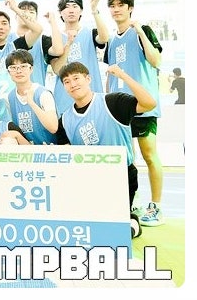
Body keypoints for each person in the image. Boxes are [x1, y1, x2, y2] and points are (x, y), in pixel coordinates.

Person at [54, 62, 157, 239]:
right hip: (89, 179)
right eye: (67, 81)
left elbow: (149, 104)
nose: (72, 84)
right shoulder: (65, 119)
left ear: (88, 79)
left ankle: (131, 222)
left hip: (120, 175)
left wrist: (122, 75)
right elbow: (67, 155)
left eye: (76, 78)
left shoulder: (113, 102)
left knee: (116, 224)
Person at [105, 0, 164, 226]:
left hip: (143, 104)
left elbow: (156, 61)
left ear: (130, 8)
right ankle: (133, 198)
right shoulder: (111, 39)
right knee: (127, 158)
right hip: (120, 107)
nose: (116, 9)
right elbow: (110, 75)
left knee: (149, 155)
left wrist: (139, 30)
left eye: (121, 5)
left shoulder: (143, 30)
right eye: (113, 6)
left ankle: (156, 207)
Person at [49, 0, 110, 115]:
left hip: (91, 94)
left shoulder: (90, 32)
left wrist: (94, 10)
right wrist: (68, 43)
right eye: (67, 7)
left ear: (81, 11)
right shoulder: (55, 39)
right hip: (64, 99)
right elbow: (57, 70)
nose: (71, 10)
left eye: (75, 6)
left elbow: (104, 38)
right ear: (60, 12)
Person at [4, 49, 59, 145]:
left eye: (23, 66)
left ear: (31, 69)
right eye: (13, 67)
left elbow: (53, 127)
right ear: (8, 72)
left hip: (50, 148)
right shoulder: (10, 98)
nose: (18, 71)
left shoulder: (43, 94)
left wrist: (32, 103)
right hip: (28, 150)